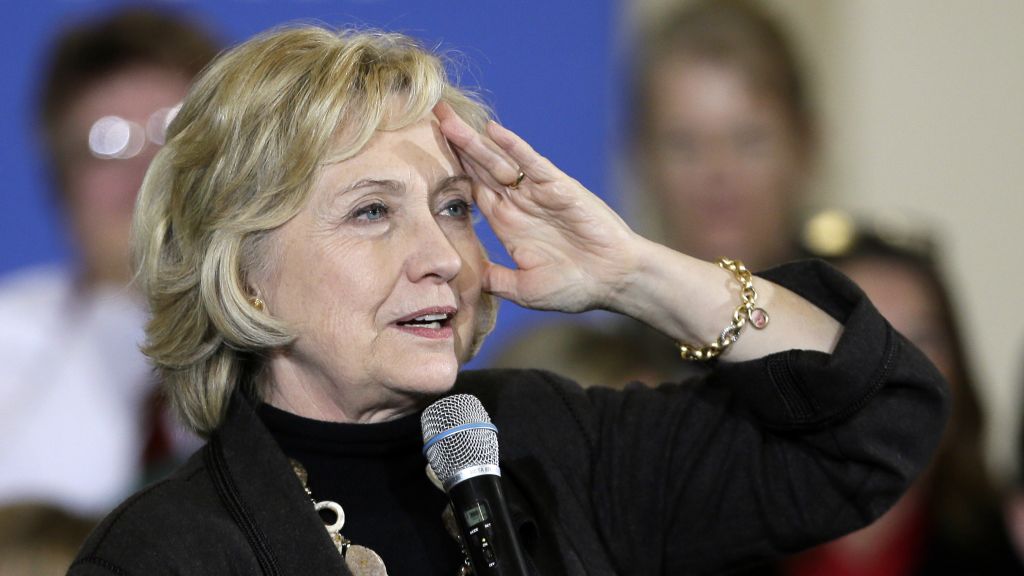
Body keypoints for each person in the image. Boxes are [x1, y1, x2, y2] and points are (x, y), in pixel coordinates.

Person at [68, 25, 947, 575]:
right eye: (372, 212)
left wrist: (636, 274)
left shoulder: (550, 443)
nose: (441, 258)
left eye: (453, 208)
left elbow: (877, 426)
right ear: (242, 270)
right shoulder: (166, 553)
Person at [492, 0, 816, 386]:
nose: (718, 172)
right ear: (639, 155)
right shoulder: (596, 377)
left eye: (749, 141)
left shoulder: (869, 324)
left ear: (804, 143)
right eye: (684, 144)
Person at [0, 9, 220, 517]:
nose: (144, 168)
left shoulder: (309, 349)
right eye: (108, 142)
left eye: (171, 129)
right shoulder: (8, 345)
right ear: (62, 181)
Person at [740, 214, 1022, 575]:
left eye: (921, 339)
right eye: (857, 341)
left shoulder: (1007, 545)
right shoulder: (701, 546)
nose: (896, 371)